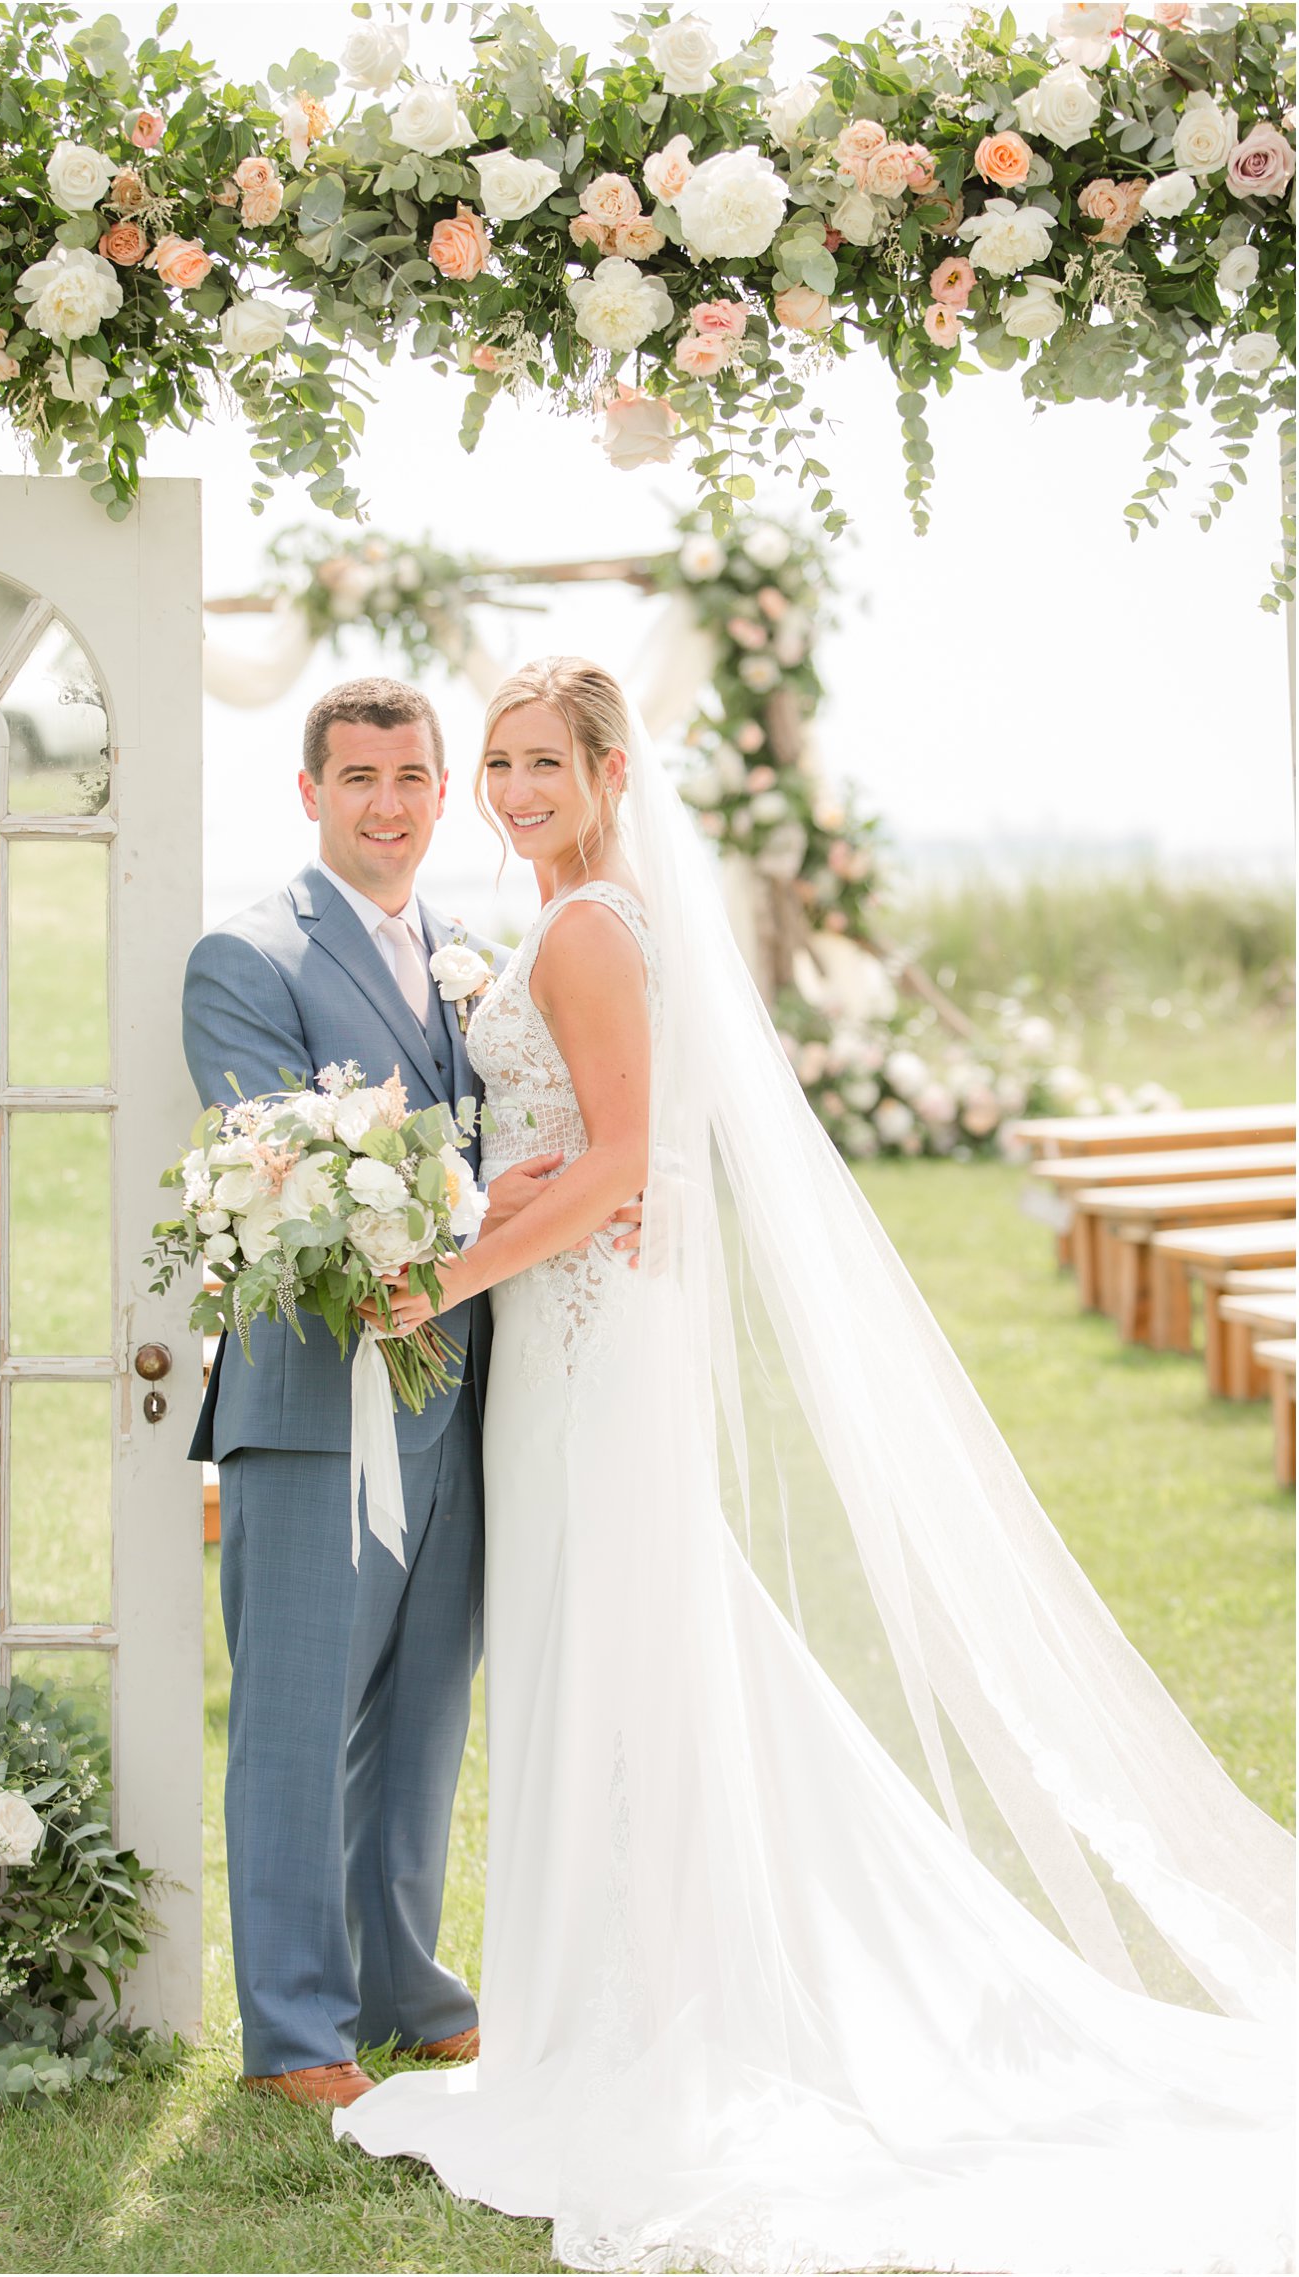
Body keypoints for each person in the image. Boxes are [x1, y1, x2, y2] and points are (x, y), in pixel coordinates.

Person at [335, 656, 1295, 2275]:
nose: (512, 791)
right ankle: (607, 2008)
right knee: (619, 1655)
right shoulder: (602, 918)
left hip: (578, 1353)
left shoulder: (584, 926)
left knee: (608, 1658)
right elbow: (588, 1152)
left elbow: (631, 1159)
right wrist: (500, 1206)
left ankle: (620, 2035)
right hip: (579, 1330)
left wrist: (438, 1280)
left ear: (614, 770)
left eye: (544, 762)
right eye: (496, 763)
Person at [182, 676, 637, 2108]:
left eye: (412, 776)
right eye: (358, 776)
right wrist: (472, 1201)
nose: (388, 801)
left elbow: (578, 1124)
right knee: (299, 1724)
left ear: (445, 795)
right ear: (309, 792)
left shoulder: (472, 952)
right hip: (317, 1410)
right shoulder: (245, 956)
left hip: (469, 1398)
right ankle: (296, 2032)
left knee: (424, 1716)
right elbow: (283, 1170)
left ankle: (405, 1984)